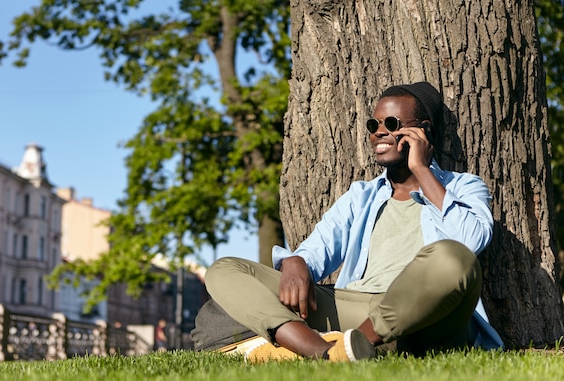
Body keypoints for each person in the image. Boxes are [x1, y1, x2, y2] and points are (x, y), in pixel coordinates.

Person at [204, 81, 503, 363]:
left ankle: (345, 344)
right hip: (359, 307)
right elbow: (316, 252)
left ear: (423, 132)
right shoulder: (362, 196)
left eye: (392, 125)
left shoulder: (463, 187)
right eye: (374, 126)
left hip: (426, 318)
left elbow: (469, 243)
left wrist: (421, 171)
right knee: (225, 274)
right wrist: (296, 262)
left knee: (453, 259)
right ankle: (325, 352)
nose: (379, 134)